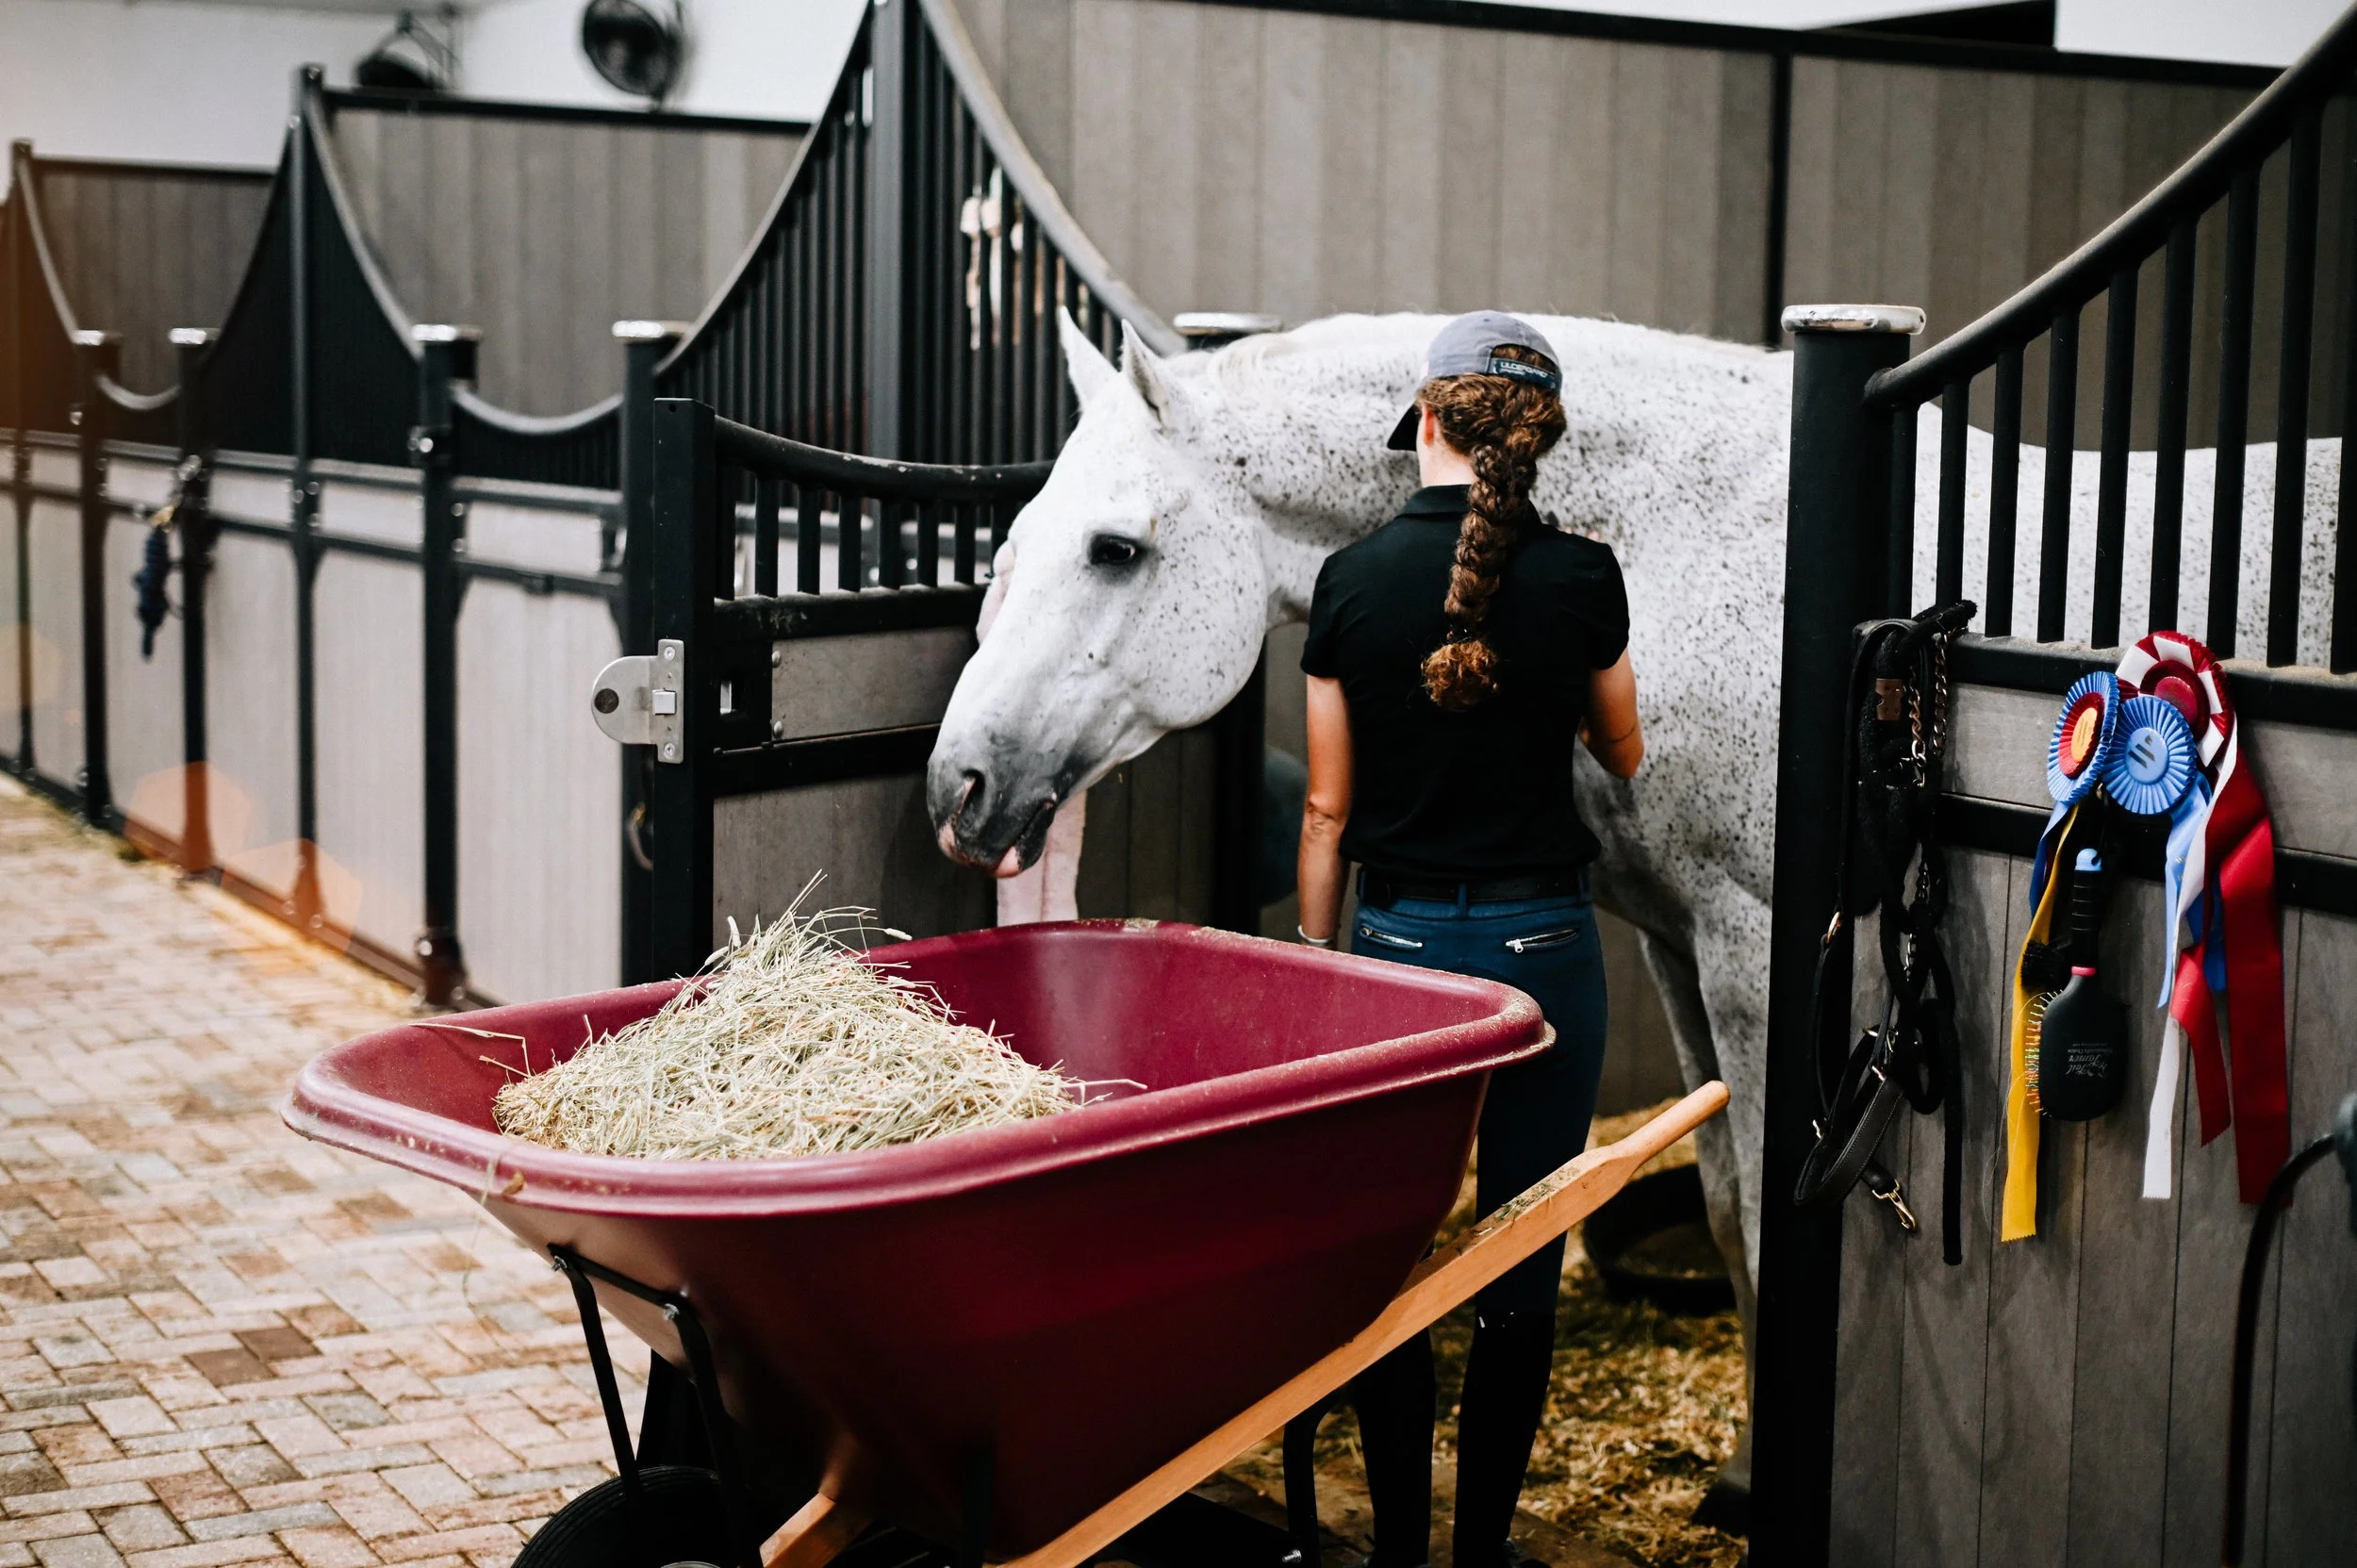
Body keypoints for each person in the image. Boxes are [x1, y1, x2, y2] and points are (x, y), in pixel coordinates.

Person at [1295, 311, 1644, 1568]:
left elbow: (1328, 807)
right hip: (1546, 946)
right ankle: (1482, 1549)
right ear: (1536, 435)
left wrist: (1325, 965)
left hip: (1393, 952)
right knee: (1520, 1264)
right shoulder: (1586, 575)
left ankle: (1397, 1549)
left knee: (1392, 1257)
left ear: (1425, 421)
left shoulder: (1347, 583)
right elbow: (1625, 749)